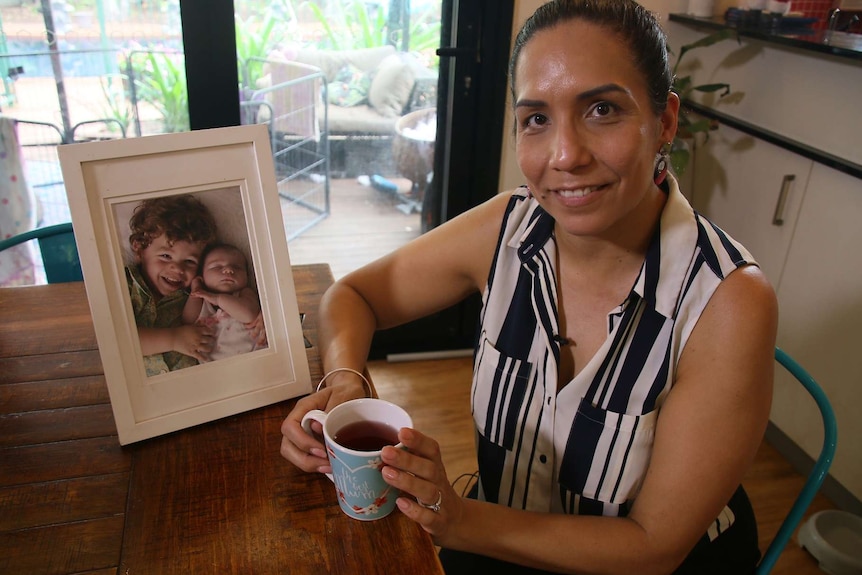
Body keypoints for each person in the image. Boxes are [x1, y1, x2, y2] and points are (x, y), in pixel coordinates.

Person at [279, 0, 778, 573]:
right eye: (536, 118)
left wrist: (459, 519)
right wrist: (344, 383)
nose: (565, 155)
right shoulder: (507, 228)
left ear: (664, 121)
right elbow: (353, 296)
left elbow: (654, 545)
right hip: (502, 538)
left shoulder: (728, 301)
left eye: (602, 109)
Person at [126, 194, 218, 376]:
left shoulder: (196, 293)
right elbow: (118, 342)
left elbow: (232, 303)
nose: (177, 268)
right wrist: (174, 338)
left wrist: (262, 320)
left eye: (190, 261)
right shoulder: (124, 286)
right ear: (139, 248)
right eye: (166, 256)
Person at [182, 242, 262, 361]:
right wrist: (196, 290)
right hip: (215, 370)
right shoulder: (202, 301)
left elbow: (249, 315)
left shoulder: (244, 294)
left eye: (237, 267)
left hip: (253, 359)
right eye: (216, 267)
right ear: (202, 276)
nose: (228, 270)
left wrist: (218, 299)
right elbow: (187, 320)